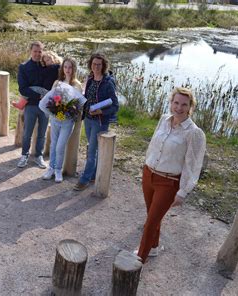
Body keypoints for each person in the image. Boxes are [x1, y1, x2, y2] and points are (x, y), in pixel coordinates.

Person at [134, 87, 206, 263]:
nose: (179, 108)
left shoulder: (194, 133)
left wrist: (183, 191)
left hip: (168, 182)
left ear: (190, 107)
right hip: (149, 175)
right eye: (176, 103)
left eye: (184, 104)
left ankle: (139, 259)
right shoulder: (164, 120)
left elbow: (193, 165)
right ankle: (154, 247)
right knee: (152, 215)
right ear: (171, 102)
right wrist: (146, 165)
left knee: (150, 222)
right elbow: (153, 145)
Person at [74, 53, 119, 191]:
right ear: (90, 65)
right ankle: (93, 174)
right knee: (92, 147)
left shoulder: (108, 82)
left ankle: (85, 179)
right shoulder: (90, 78)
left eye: (99, 64)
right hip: (87, 119)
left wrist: (101, 112)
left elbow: (115, 105)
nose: (96, 67)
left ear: (104, 65)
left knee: (92, 150)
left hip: (99, 121)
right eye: (94, 64)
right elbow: (87, 97)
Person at [39, 57, 85, 183]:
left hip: (67, 121)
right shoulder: (57, 83)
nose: (67, 70)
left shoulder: (77, 85)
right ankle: (51, 169)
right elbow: (51, 100)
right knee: (53, 145)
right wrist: (55, 110)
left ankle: (58, 170)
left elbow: (78, 105)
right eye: (65, 67)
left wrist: (67, 111)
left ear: (74, 69)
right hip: (55, 119)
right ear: (62, 68)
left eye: (70, 67)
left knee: (60, 146)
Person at [16, 42, 59, 168]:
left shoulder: (46, 66)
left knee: (42, 133)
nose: (37, 54)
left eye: (40, 51)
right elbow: (23, 89)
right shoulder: (23, 67)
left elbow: (57, 73)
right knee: (27, 133)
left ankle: (38, 156)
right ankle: (24, 155)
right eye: (35, 51)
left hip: (46, 106)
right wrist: (39, 96)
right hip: (31, 105)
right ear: (30, 51)